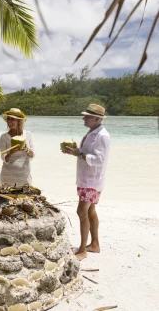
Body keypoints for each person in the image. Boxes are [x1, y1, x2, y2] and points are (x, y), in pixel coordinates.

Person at [62, 104, 110, 261]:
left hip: (92, 180)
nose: (84, 118)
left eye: (87, 116)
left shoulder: (102, 136)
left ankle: (82, 249)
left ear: (97, 118)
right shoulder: (92, 132)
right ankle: (95, 244)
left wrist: (80, 154)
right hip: (87, 179)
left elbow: (99, 160)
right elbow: (87, 153)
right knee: (90, 212)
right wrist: (75, 152)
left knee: (81, 212)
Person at [0, 108, 35, 187]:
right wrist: (10, 153)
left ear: (19, 121)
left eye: (13, 119)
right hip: (7, 176)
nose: (9, 122)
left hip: (24, 176)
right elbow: (3, 157)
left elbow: (33, 154)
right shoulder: (4, 137)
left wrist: (27, 150)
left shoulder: (28, 134)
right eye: (8, 119)